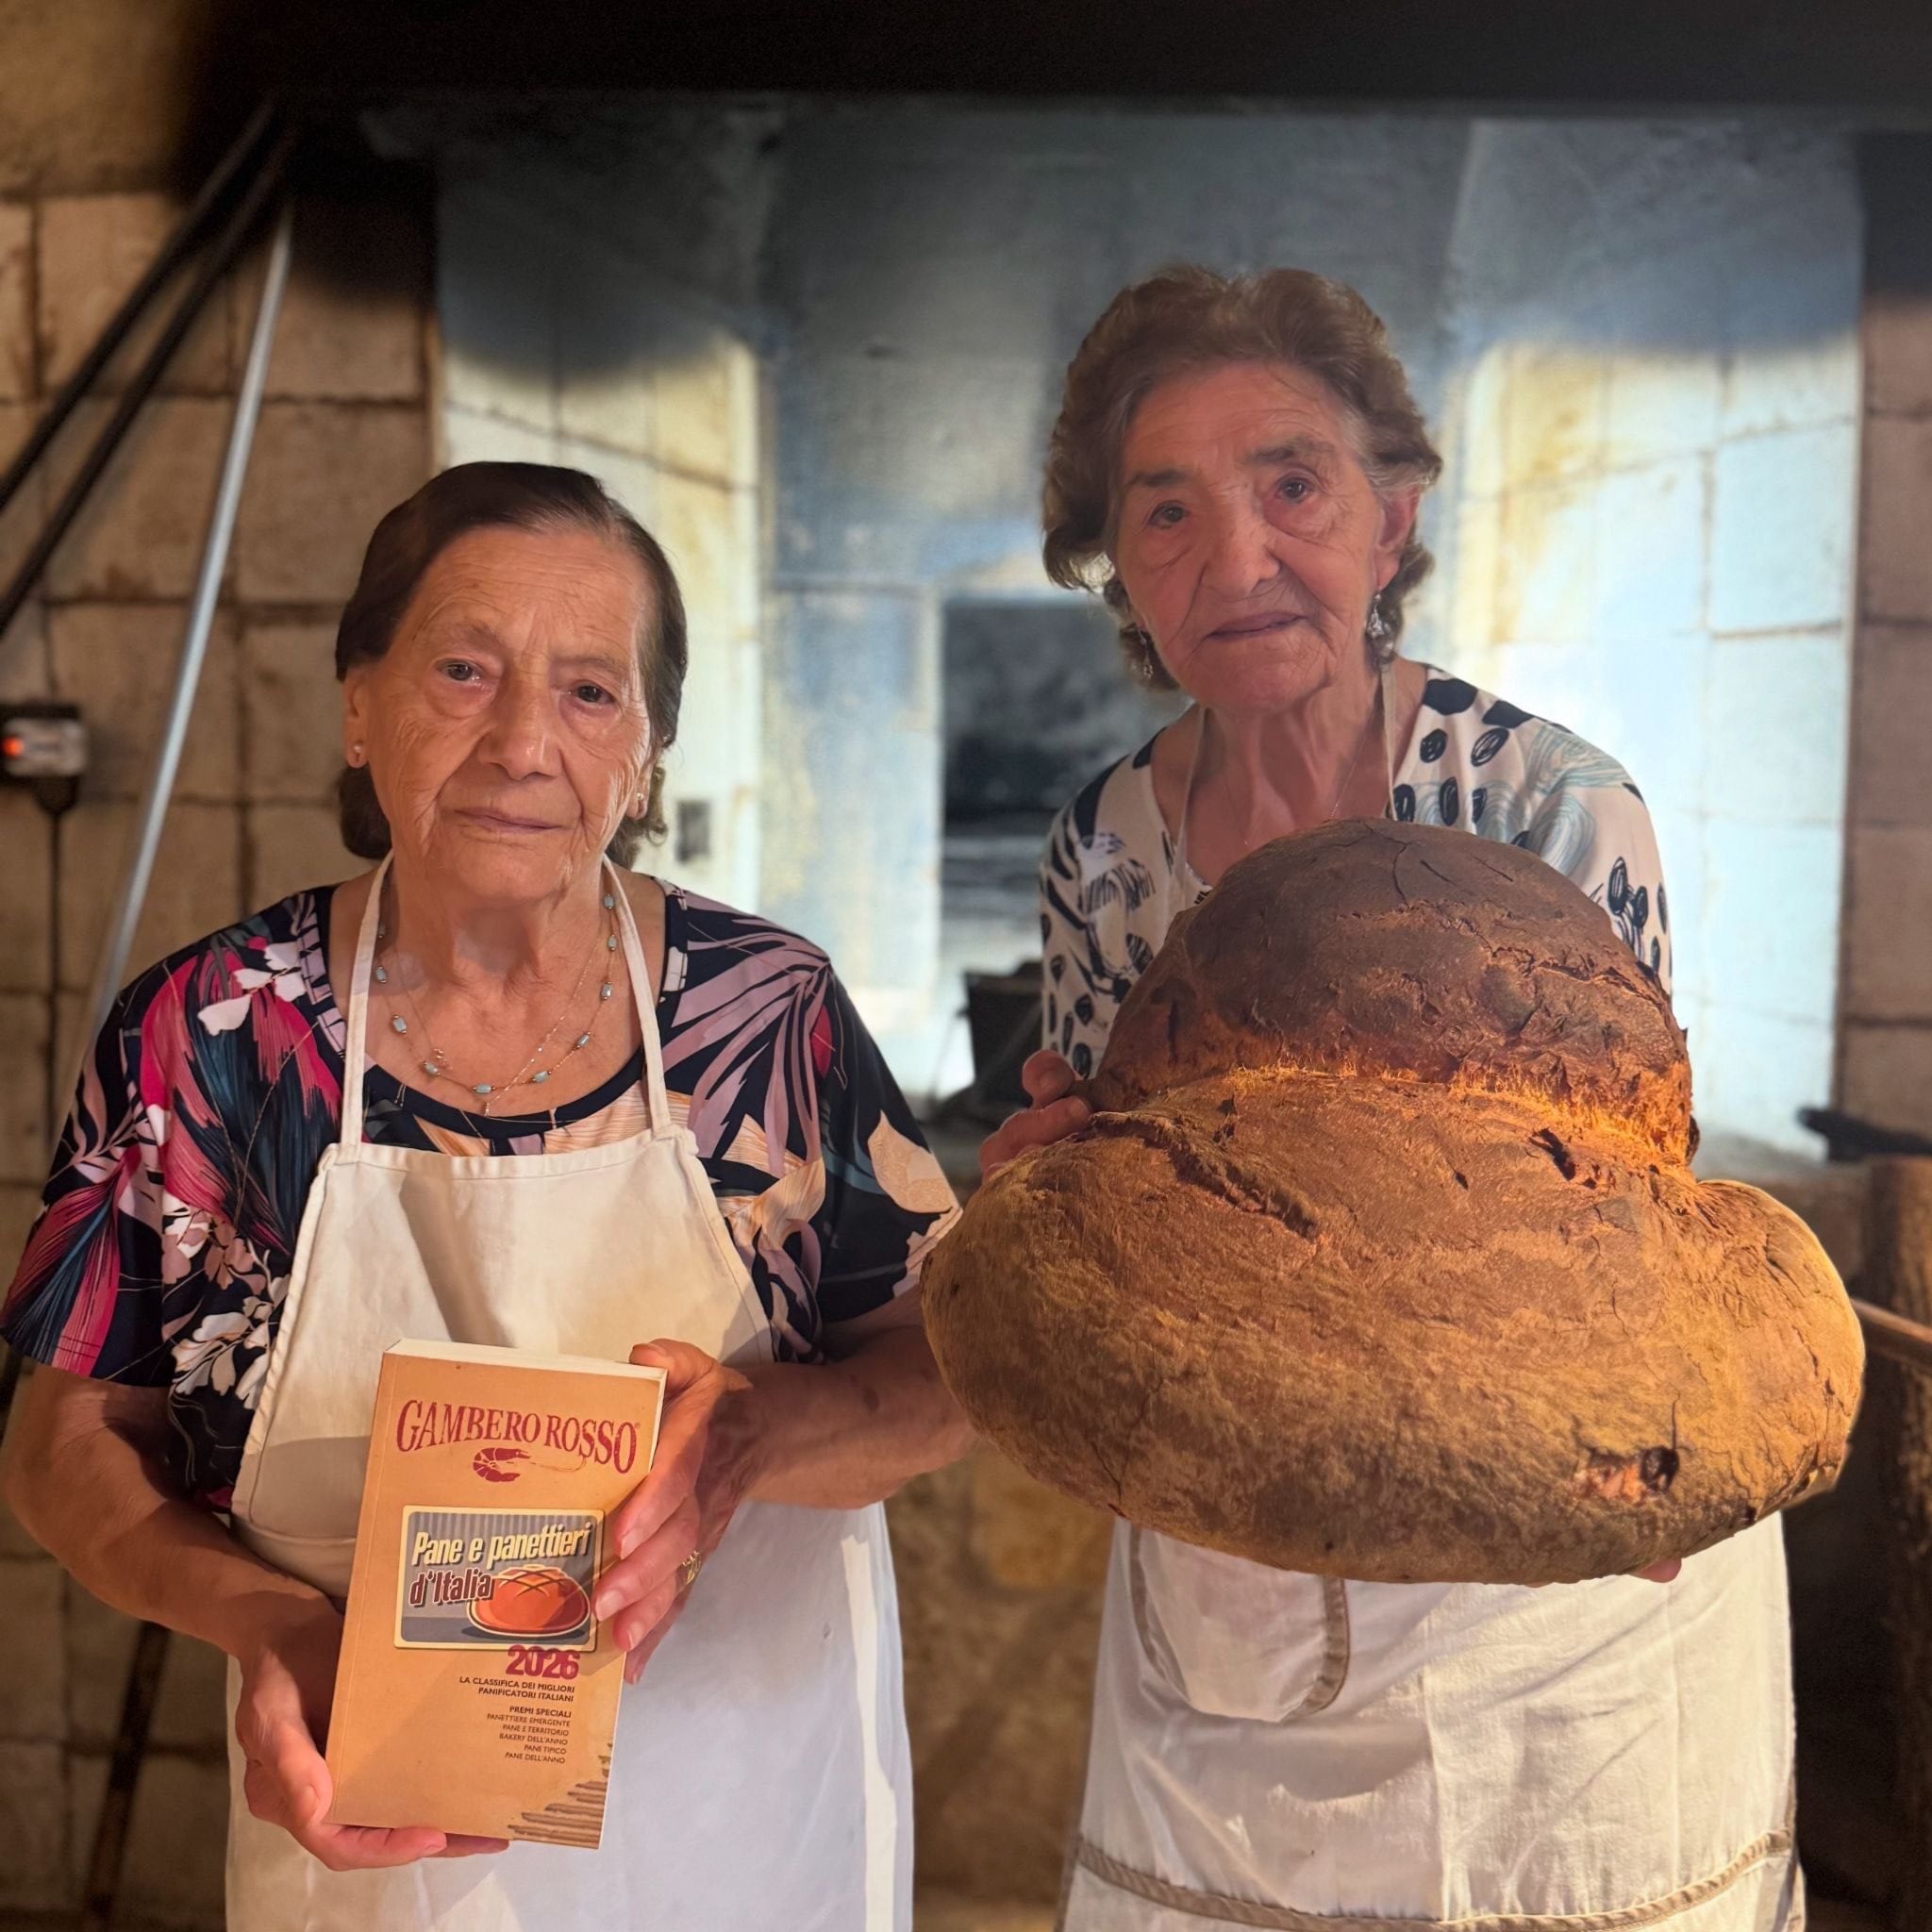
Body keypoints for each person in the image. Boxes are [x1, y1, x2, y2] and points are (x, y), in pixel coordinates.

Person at [2, 462, 973, 1932]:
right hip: (377, 1843)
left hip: (749, 1819)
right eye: (464, 669)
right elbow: (66, 1447)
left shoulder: (769, 1017)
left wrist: (755, 1434)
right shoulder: (212, 1037)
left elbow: (948, 1372)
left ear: (645, 755)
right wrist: (261, 1621)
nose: (522, 741)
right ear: (358, 703)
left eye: (592, 692)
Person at [983, 269, 1800, 1931]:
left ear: (1391, 514)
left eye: (1293, 484)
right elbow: (1121, 1164)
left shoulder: (1551, 807)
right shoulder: (1104, 847)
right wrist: (1050, 1190)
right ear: (1118, 571)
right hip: (1246, 1562)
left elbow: (1621, 1207)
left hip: (1558, 1589)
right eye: (1166, 514)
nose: (1236, 558)